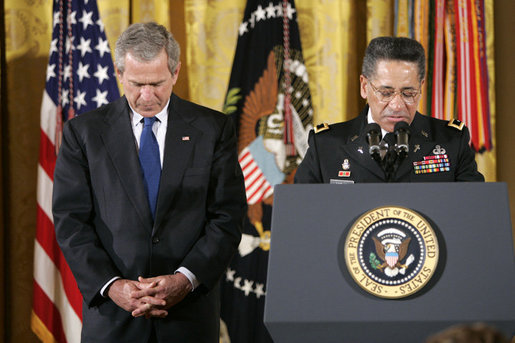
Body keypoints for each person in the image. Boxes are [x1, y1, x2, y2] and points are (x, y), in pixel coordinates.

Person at [52, 22, 247, 343]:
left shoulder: (213, 129)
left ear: (176, 72)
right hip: (113, 317)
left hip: (188, 316)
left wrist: (185, 280)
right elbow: (70, 221)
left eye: (156, 83)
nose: (146, 96)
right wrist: (112, 285)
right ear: (118, 73)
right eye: (136, 83)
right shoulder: (83, 133)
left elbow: (227, 216)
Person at [294, 36, 484, 183]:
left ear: (421, 87)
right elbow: (301, 214)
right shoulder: (327, 145)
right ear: (364, 87)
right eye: (385, 92)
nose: (397, 105)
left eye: (408, 93)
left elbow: (474, 213)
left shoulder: (451, 142)